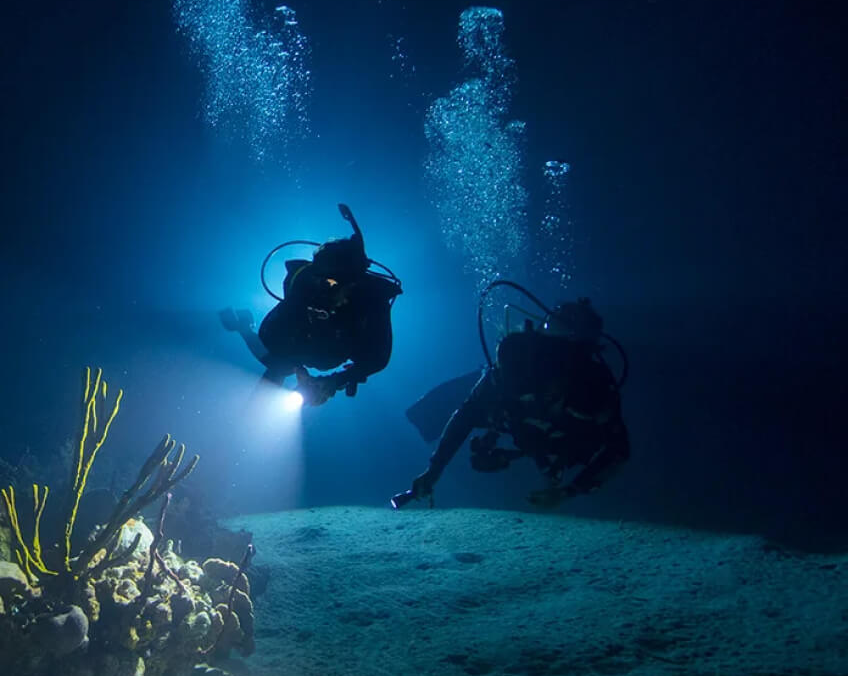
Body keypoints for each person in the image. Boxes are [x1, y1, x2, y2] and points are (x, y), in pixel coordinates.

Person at [393, 293, 629, 509]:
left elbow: (618, 449)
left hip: (559, 435)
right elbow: (466, 414)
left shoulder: (595, 391)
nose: (545, 370)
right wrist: (434, 470)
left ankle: (546, 462)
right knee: (473, 392)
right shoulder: (513, 367)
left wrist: (571, 491)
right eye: (545, 356)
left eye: (559, 360)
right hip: (524, 424)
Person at [221, 204, 401, 406]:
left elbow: (377, 359)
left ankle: (246, 330)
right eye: (321, 280)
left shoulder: (371, 301)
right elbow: (272, 336)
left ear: (353, 283)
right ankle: (244, 328)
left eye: (333, 284)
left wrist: (335, 381)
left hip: (336, 350)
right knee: (279, 365)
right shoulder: (303, 284)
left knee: (294, 364)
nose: (325, 289)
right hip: (304, 341)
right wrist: (299, 369)